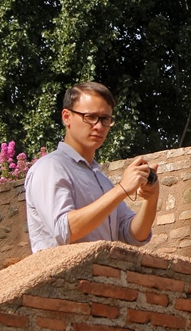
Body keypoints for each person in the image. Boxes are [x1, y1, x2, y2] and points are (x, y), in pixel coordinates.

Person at [24, 82, 159, 253]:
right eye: (90, 117)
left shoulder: (102, 180)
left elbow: (133, 235)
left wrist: (151, 199)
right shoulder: (50, 167)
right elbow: (64, 231)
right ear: (66, 117)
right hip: (65, 278)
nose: (99, 126)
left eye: (105, 119)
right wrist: (121, 189)